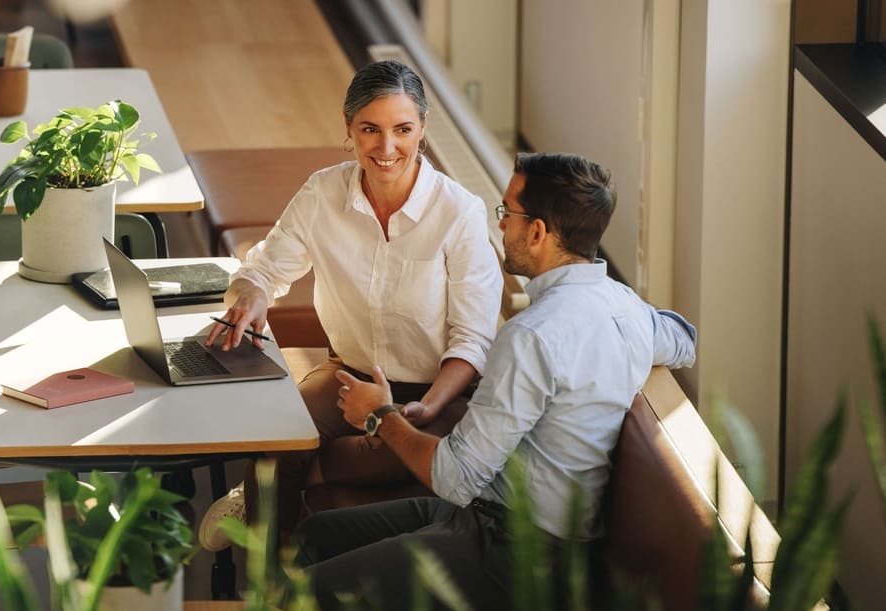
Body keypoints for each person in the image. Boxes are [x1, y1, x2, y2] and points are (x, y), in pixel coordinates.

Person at [294, 152, 698, 610]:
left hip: (516, 552)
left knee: (300, 593)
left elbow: (454, 476)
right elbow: (683, 339)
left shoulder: (531, 335)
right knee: (314, 534)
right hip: (498, 517)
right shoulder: (623, 305)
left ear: (538, 231)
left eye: (507, 214)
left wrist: (380, 416)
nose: (501, 225)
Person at [198, 60, 504, 551]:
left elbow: (473, 341)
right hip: (348, 377)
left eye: (403, 130)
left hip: (440, 391)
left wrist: (420, 410)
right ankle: (268, 585)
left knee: (386, 452)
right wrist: (252, 295)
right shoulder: (323, 193)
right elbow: (263, 270)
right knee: (274, 433)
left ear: (423, 128)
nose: (387, 148)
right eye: (370, 129)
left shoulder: (459, 213)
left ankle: (297, 476)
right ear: (349, 129)